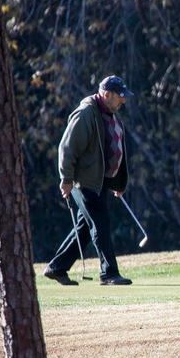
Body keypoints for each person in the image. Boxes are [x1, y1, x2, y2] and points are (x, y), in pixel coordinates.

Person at [42, 75, 135, 286]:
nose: (124, 101)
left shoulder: (110, 114)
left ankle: (57, 267)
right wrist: (66, 178)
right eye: (120, 97)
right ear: (107, 94)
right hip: (81, 181)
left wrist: (117, 184)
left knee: (85, 228)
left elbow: (113, 151)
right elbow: (67, 148)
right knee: (100, 223)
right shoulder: (86, 114)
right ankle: (109, 273)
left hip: (99, 181)